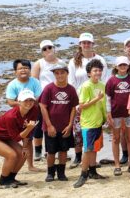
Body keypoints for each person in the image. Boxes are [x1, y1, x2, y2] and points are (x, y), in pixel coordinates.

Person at [0, 90, 38, 189]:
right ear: (19, 101)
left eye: (31, 100)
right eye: (25, 100)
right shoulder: (11, 116)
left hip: (6, 136)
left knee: (24, 154)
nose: (29, 103)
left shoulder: (34, 109)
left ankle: (10, 179)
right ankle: (2, 182)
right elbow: (17, 137)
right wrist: (28, 128)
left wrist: (24, 147)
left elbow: (28, 133)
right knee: (12, 155)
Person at [68, 32, 108, 167]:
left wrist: (105, 107)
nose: (86, 45)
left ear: (92, 44)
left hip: (97, 102)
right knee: (78, 131)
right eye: (83, 43)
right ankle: (78, 157)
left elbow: (104, 81)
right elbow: (71, 82)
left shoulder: (100, 60)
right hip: (80, 101)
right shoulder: (74, 61)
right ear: (80, 45)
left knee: (94, 132)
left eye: (88, 42)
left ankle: (91, 162)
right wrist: (75, 103)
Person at [38, 62, 79, 182]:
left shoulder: (71, 89)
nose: (60, 75)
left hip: (65, 126)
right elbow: (43, 107)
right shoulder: (49, 88)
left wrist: (70, 124)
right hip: (51, 127)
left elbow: (73, 108)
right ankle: (50, 173)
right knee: (51, 152)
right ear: (54, 74)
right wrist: (49, 125)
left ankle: (61, 172)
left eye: (62, 72)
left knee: (63, 150)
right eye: (57, 73)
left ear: (67, 73)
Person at [73, 58, 108, 188]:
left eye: (99, 70)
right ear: (89, 73)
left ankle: (93, 171)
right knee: (87, 150)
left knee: (94, 148)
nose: (97, 72)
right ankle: (83, 174)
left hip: (98, 121)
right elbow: (81, 106)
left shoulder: (102, 85)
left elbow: (103, 103)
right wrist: (96, 98)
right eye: (95, 70)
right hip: (88, 123)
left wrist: (105, 117)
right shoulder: (86, 86)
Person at [5, 59, 43, 172]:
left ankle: (30, 165)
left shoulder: (35, 82)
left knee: (29, 139)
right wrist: (24, 104)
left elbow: (38, 98)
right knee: (16, 138)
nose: (23, 70)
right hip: (18, 115)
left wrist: (28, 103)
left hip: (34, 113)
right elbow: (10, 102)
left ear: (30, 70)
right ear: (15, 71)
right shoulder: (12, 84)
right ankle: (14, 160)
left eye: (26, 68)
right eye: (20, 68)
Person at [105, 56, 130, 176]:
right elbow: (108, 98)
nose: (123, 67)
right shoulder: (111, 80)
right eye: (120, 65)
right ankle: (117, 165)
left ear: (128, 66)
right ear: (116, 67)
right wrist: (108, 113)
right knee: (115, 138)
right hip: (115, 114)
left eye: (125, 65)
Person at [31, 39, 61, 162]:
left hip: (57, 97)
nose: (48, 50)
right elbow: (34, 81)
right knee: (39, 125)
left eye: (49, 47)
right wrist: (36, 98)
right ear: (42, 52)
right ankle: (38, 151)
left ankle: (54, 150)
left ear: (54, 48)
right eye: (44, 49)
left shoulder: (61, 63)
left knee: (56, 124)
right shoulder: (39, 63)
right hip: (41, 98)